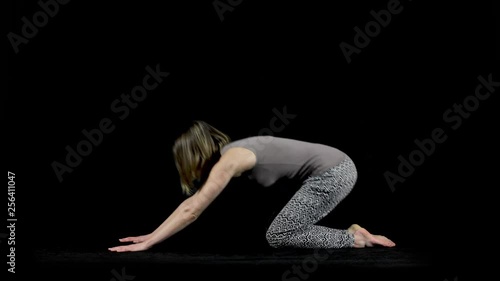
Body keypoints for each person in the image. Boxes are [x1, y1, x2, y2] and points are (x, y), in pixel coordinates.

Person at [108, 120, 395, 252]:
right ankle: (354, 233)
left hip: (335, 172)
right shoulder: (231, 154)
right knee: (283, 231)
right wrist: (150, 236)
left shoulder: (230, 160)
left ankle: (357, 239)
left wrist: (147, 246)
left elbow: (192, 211)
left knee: (280, 233)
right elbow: (190, 204)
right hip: (336, 166)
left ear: (192, 155)